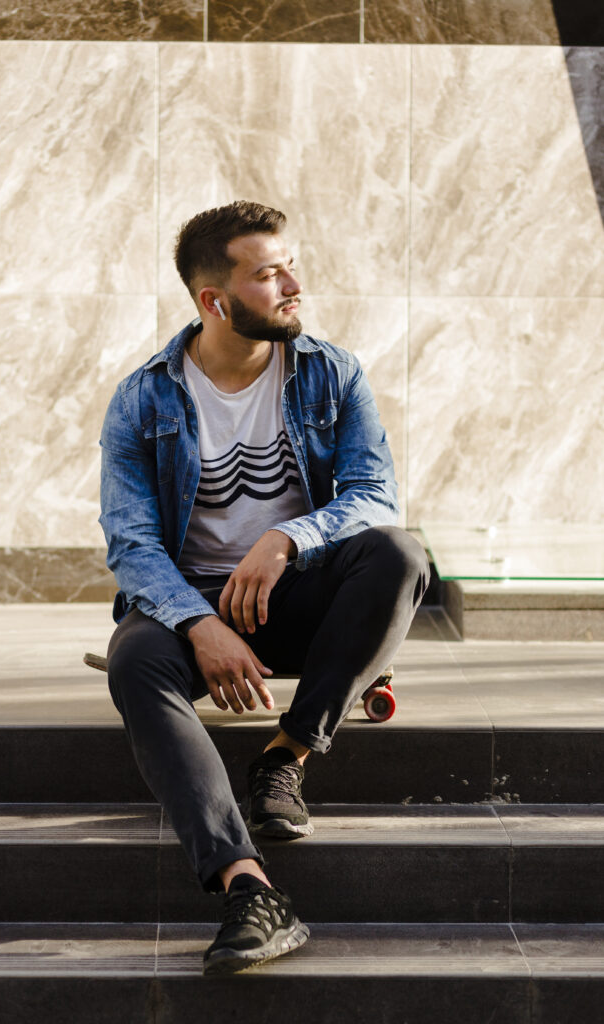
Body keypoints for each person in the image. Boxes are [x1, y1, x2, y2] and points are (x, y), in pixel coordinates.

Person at [99, 200, 430, 974]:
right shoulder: (143, 398)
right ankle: (247, 886)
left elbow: (374, 494)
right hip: (198, 606)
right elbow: (132, 543)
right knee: (134, 659)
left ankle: (286, 754)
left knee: (398, 554)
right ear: (214, 301)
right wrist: (197, 623)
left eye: (289, 263)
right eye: (269, 273)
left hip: (301, 591)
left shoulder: (329, 371)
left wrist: (285, 538)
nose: (293, 284)